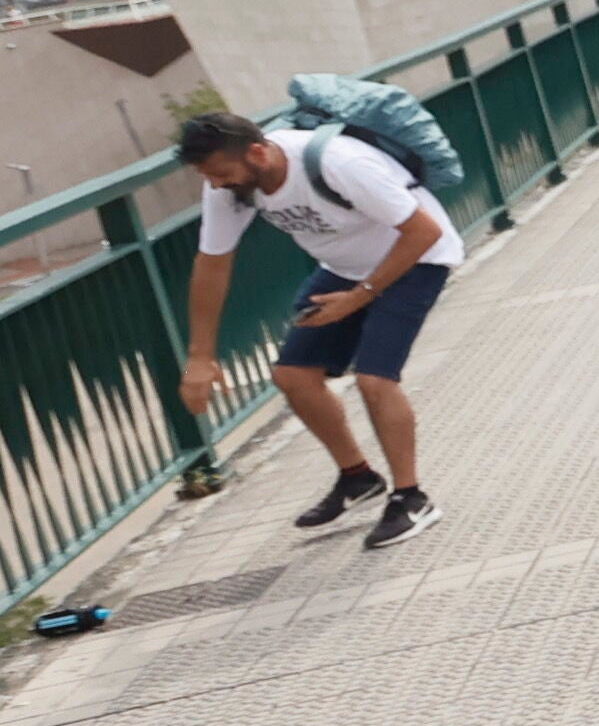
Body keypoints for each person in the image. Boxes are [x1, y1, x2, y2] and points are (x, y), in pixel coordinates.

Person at [174, 106, 464, 551]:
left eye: (221, 173)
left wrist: (361, 296)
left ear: (257, 152)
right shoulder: (230, 187)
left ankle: (411, 499)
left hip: (417, 259)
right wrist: (199, 356)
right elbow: (212, 263)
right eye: (208, 176)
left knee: (374, 378)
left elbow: (422, 231)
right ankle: (357, 478)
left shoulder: (339, 164)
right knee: (293, 376)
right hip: (344, 268)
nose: (216, 184)